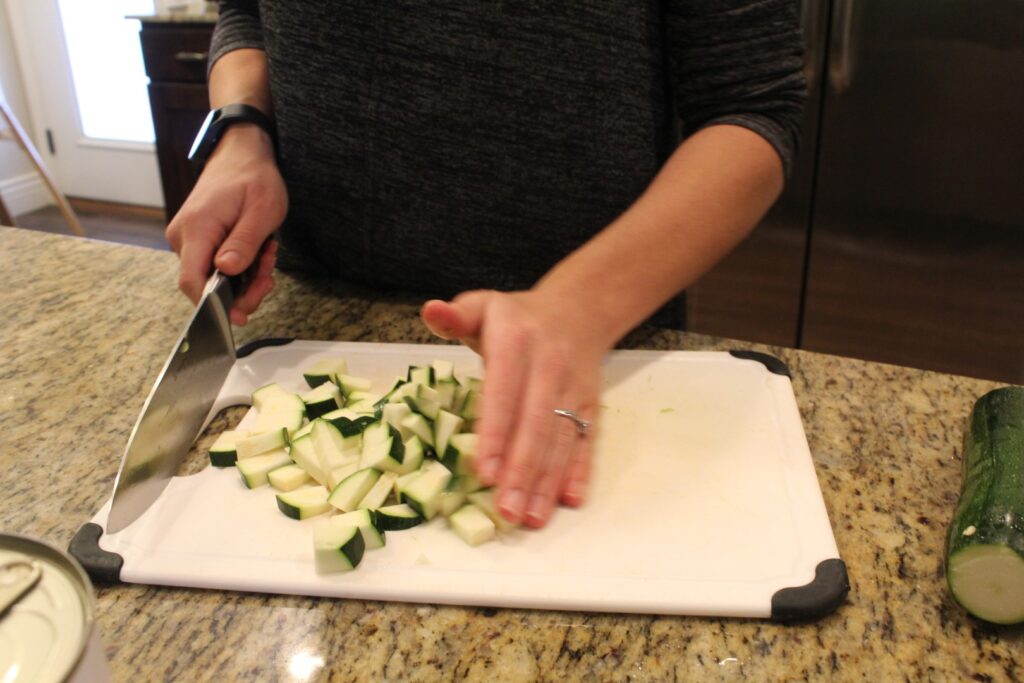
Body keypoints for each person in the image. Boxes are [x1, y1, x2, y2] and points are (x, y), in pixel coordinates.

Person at [166, 1, 806, 529]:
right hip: (314, 314)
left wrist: (581, 307)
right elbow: (247, 15)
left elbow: (752, 106)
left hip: (590, 342)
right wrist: (242, 131)